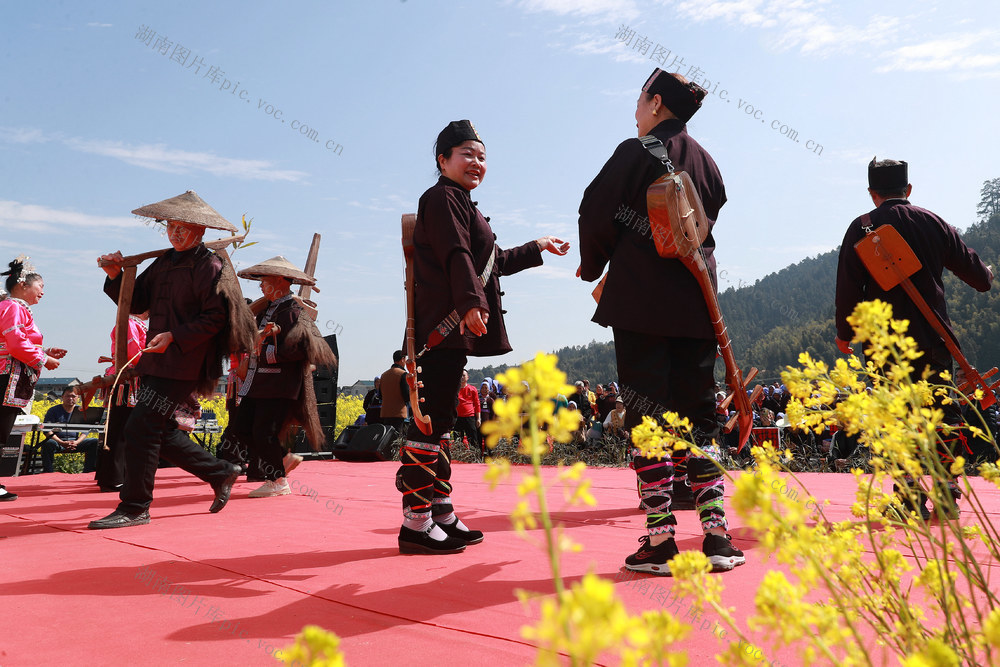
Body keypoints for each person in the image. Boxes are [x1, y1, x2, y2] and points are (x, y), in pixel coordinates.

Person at [578, 69, 744, 574]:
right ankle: (716, 537)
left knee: (648, 419)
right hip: (698, 304)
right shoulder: (709, 164)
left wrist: (595, 264)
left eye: (638, 100)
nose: (634, 110)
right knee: (700, 417)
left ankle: (660, 539)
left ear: (653, 103)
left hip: (642, 305)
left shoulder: (636, 151)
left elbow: (594, 212)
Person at [397, 120, 569, 554]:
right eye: (467, 154)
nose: (477, 162)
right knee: (429, 423)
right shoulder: (441, 198)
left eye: (482, 156)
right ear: (442, 160)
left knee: (442, 421)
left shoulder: (461, 203)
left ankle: (441, 512)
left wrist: (538, 245)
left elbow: (494, 260)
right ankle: (415, 523)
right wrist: (474, 302)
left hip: (452, 330)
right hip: (444, 326)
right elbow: (457, 254)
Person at [835, 158, 993, 518]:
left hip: (885, 343)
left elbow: (847, 288)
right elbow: (978, 275)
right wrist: (986, 274)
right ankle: (948, 492)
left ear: (874, 195)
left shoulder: (862, 227)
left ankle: (908, 499)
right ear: (908, 190)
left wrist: (845, 334)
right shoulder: (933, 222)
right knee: (941, 411)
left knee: (897, 418)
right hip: (935, 337)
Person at [89, 190, 256, 529]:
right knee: (159, 429)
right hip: (157, 360)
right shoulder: (163, 262)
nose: (176, 234)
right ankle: (220, 471)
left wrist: (176, 336)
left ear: (201, 231)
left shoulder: (210, 264)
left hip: (186, 360)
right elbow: (137, 304)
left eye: (183, 228)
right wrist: (114, 276)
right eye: (171, 227)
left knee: (140, 428)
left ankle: (135, 507)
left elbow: (216, 318)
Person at [234, 256, 337, 498]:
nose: (260, 286)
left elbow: (299, 350)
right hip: (259, 382)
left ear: (280, 281)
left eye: (264, 281)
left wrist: (264, 349)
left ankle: (277, 480)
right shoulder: (268, 309)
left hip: (278, 383)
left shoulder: (292, 311)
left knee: (262, 432)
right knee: (240, 429)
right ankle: (282, 460)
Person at [0, 256, 64, 500]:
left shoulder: (11, 307)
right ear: (23, 285)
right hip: (6, 375)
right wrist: (44, 359)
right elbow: (16, 344)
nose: (43, 292)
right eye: (41, 286)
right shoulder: (13, 307)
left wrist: (44, 352)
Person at [94, 312, 148, 491]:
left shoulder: (136, 324)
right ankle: (113, 477)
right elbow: (134, 353)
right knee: (120, 431)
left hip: (131, 381)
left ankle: (114, 474)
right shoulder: (129, 323)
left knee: (125, 430)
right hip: (125, 381)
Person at [39, 388, 100, 474]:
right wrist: (61, 442)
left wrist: (77, 442)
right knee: (48, 444)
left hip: (75, 442)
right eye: (68, 396)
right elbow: (46, 430)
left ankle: (89, 471)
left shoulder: (81, 411)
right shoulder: (53, 410)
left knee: (94, 442)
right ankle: (48, 472)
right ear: (62, 397)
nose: (70, 399)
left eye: (73, 396)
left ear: (78, 398)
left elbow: (86, 430)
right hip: (58, 442)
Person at [379, 350, 409, 434]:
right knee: (397, 439)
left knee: (387, 438)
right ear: (402, 359)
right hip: (398, 413)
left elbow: (380, 395)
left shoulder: (384, 375)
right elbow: (406, 396)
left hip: (385, 413)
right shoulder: (403, 374)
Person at [453, 369, 482, 454]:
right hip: (457, 418)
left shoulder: (472, 389)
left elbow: (477, 404)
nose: (462, 377)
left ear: (467, 377)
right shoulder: (455, 389)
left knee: (473, 439)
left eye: (463, 375)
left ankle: (475, 457)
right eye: (460, 375)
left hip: (470, 417)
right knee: (458, 439)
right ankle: (459, 457)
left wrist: (478, 419)